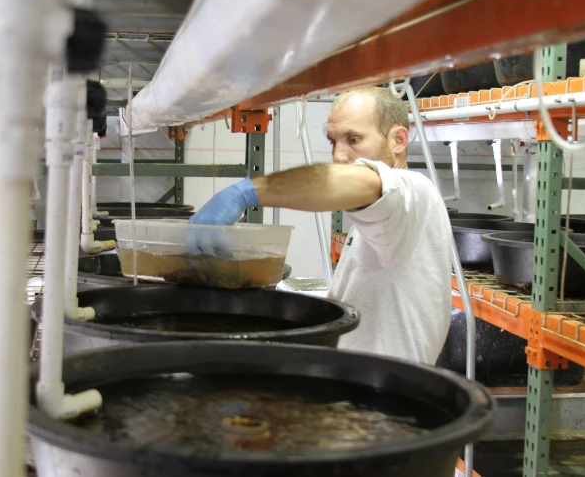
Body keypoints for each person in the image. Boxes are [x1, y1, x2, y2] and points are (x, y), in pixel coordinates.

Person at [189, 87, 453, 364]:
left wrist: (245, 192)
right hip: (356, 381)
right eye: (333, 142)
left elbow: (348, 181)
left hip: (387, 390)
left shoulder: (412, 191)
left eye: (354, 139)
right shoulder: (385, 211)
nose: (339, 155)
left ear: (398, 140)